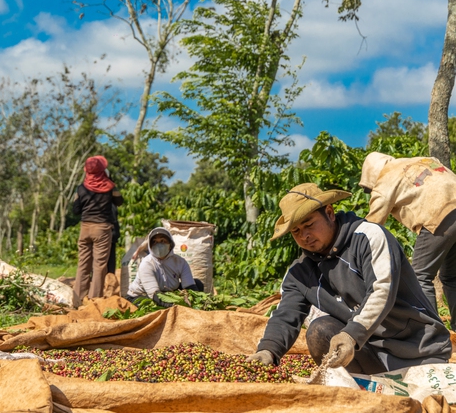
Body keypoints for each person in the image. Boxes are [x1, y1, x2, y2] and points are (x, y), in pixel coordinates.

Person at [246, 183, 451, 375]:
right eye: (296, 231)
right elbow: (285, 315)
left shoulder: (369, 237)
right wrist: (268, 351)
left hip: (418, 351)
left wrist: (351, 334)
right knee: (320, 330)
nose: (304, 236)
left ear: (329, 213)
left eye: (309, 225)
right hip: (368, 353)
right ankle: (357, 390)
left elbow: (381, 291)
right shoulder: (299, 273)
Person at [359, 152, 456, 327]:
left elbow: (372, 224)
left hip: (439, 215)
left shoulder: (385, 178)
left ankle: (434, 335)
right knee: (451, 277)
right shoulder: (420, 160)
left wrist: (354, 246)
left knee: (419, 276)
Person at [72, 155, 123, 306]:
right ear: (103, 169)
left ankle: (77, 300)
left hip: (85, 229)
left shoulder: (81, 188)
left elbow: (75, 210)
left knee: (83, 264)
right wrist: (111, 182)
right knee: (99, 265)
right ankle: (94, 301)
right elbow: (119, 201)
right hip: (102, 229)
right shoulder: (110, 187)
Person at [125, 227, 203, 308]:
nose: (159, 245)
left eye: (162, 241)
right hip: (142, 295)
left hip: (167, 292)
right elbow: (155, 295)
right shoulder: (147, 264)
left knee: (198, 284)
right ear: (150, 246)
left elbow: (190, 287)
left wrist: (198, 302)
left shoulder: (180, 262)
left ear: (170, 245)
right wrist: (175, 306)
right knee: (151, 305)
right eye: (154, 242)